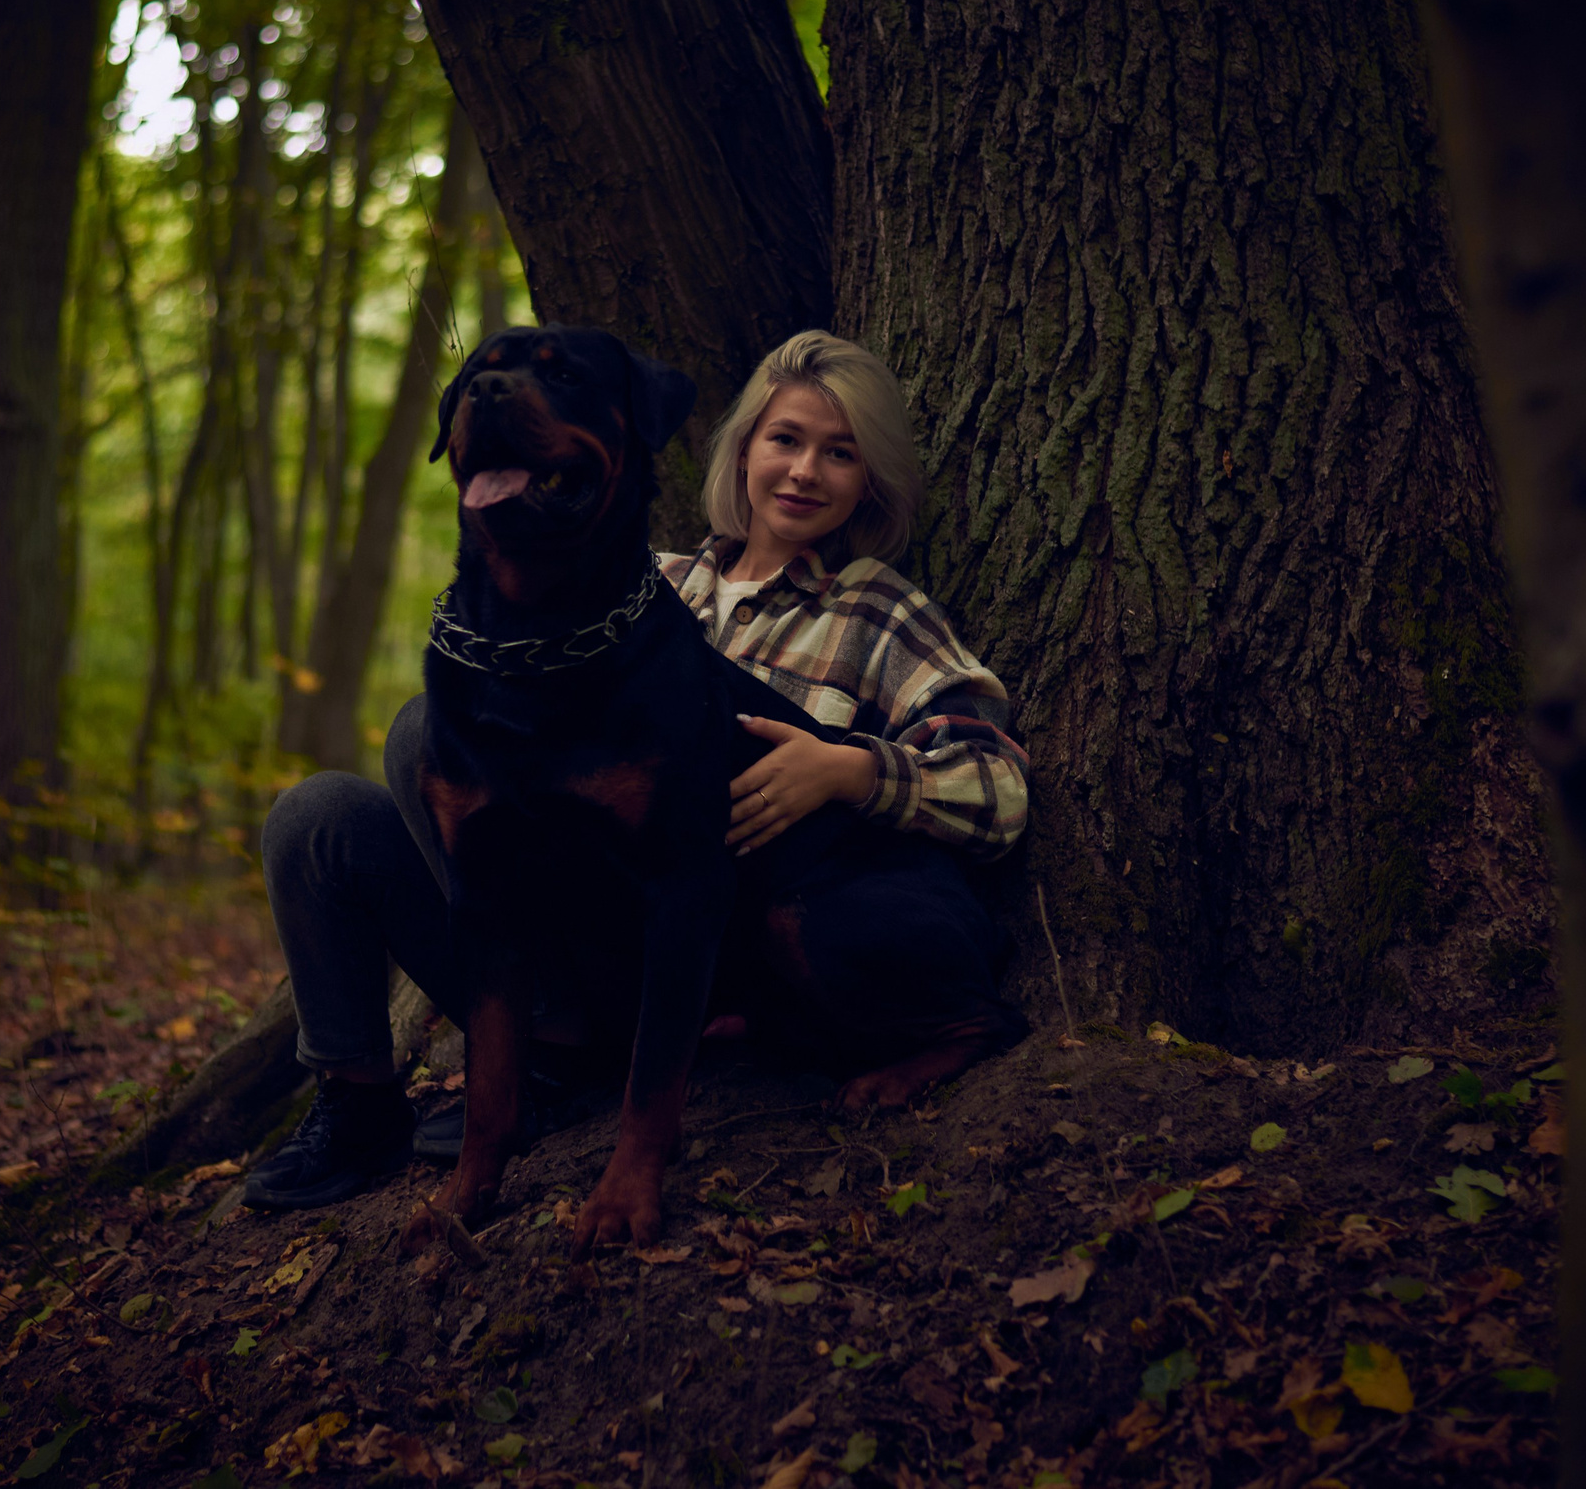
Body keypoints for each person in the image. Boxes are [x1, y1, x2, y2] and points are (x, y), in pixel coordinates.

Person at [243, 330, 1030, 1210]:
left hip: (701, 939)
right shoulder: (645, 576)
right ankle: (369, 1100)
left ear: (870, 477)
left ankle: (572, 1061)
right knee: (333, 803)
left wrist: (847, 770)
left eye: (839, 453)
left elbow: (998, 787)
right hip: (567, 926)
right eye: (786, 440)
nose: (805, 471)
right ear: (741, 452)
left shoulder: (879, 608)